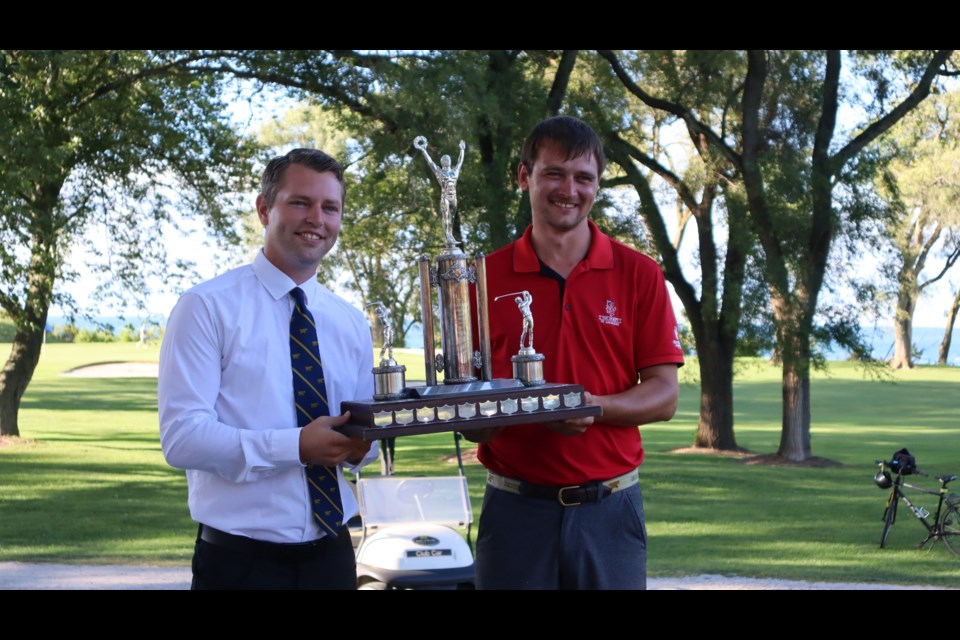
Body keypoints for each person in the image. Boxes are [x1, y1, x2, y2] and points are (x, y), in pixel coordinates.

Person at [465, 116, 685, 590]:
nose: (569, 189)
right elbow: (467, 416)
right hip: (514, 512)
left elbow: (665, 396)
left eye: (583, 177)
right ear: (524, 176)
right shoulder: (481, 279)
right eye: (554, 174)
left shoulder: (640, 274)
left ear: (598, 186)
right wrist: (510, 410)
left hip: (610, 511)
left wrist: (591, 407)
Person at [158, 148, 377, 590]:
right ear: (264, 209)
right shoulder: (206, 308)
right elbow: (182, 438)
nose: (317, 218)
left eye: (330, 207)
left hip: (333, 558)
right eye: (300, 202)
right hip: (240, 564)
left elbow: (364, 444)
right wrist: (296, 446)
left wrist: (360, 446)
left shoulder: (350, 321)